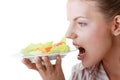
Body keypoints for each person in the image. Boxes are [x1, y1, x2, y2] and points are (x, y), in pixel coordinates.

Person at [22, 0, 120, 80]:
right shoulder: (80, 75)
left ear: (116, 26)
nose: (68, 34)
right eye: (70, 22)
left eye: (81, 23)